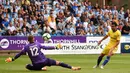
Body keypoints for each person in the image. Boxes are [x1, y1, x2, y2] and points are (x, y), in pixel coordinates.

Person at [5, 35, 81, 71]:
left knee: (27, 66)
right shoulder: (37, 44)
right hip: (45, 61)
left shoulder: (26, 47)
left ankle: (41, 69)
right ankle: (72, 67)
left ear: (28, 40)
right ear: (33, 39)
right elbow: (46, 47)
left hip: (36, 65)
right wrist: (56, 47)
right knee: (59, 63)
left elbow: (20, 54)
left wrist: (12, 59)